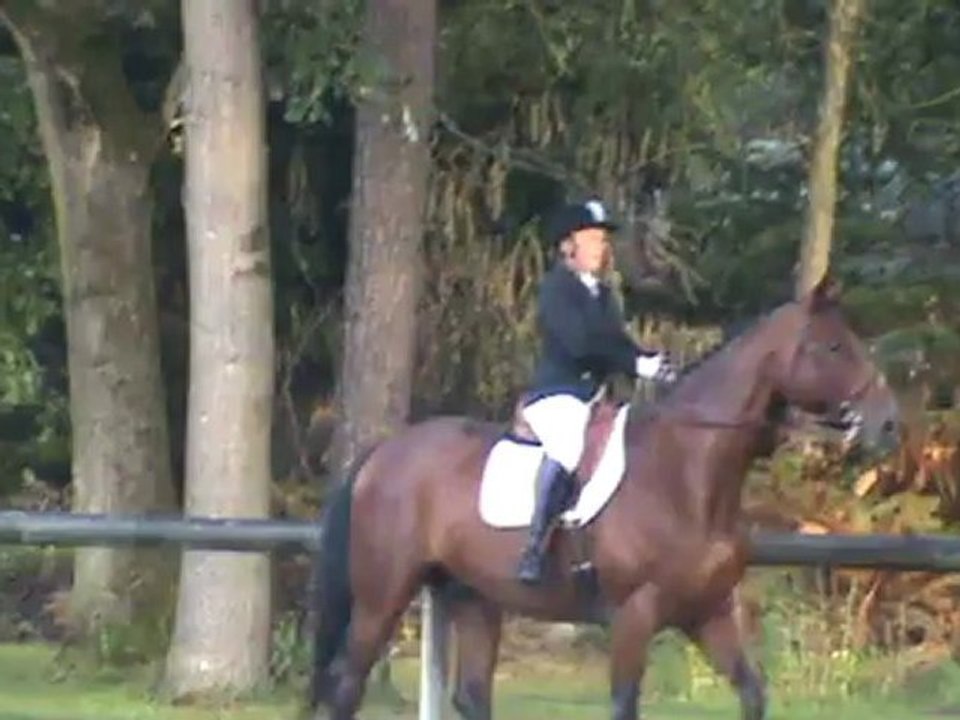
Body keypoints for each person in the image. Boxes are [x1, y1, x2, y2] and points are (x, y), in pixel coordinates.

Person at [515, 198, 676, 584]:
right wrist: (635, 364)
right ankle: (534, 550)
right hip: (558, 393)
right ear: (568, 245)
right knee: (569, 447)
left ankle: (595, 546)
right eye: (592, 239)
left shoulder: (602, 295)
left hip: (593, 397)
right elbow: (579, 344)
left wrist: (651, 361)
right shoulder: (557, 288)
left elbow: (617, 342)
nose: (600, 248)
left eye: (602, 241)